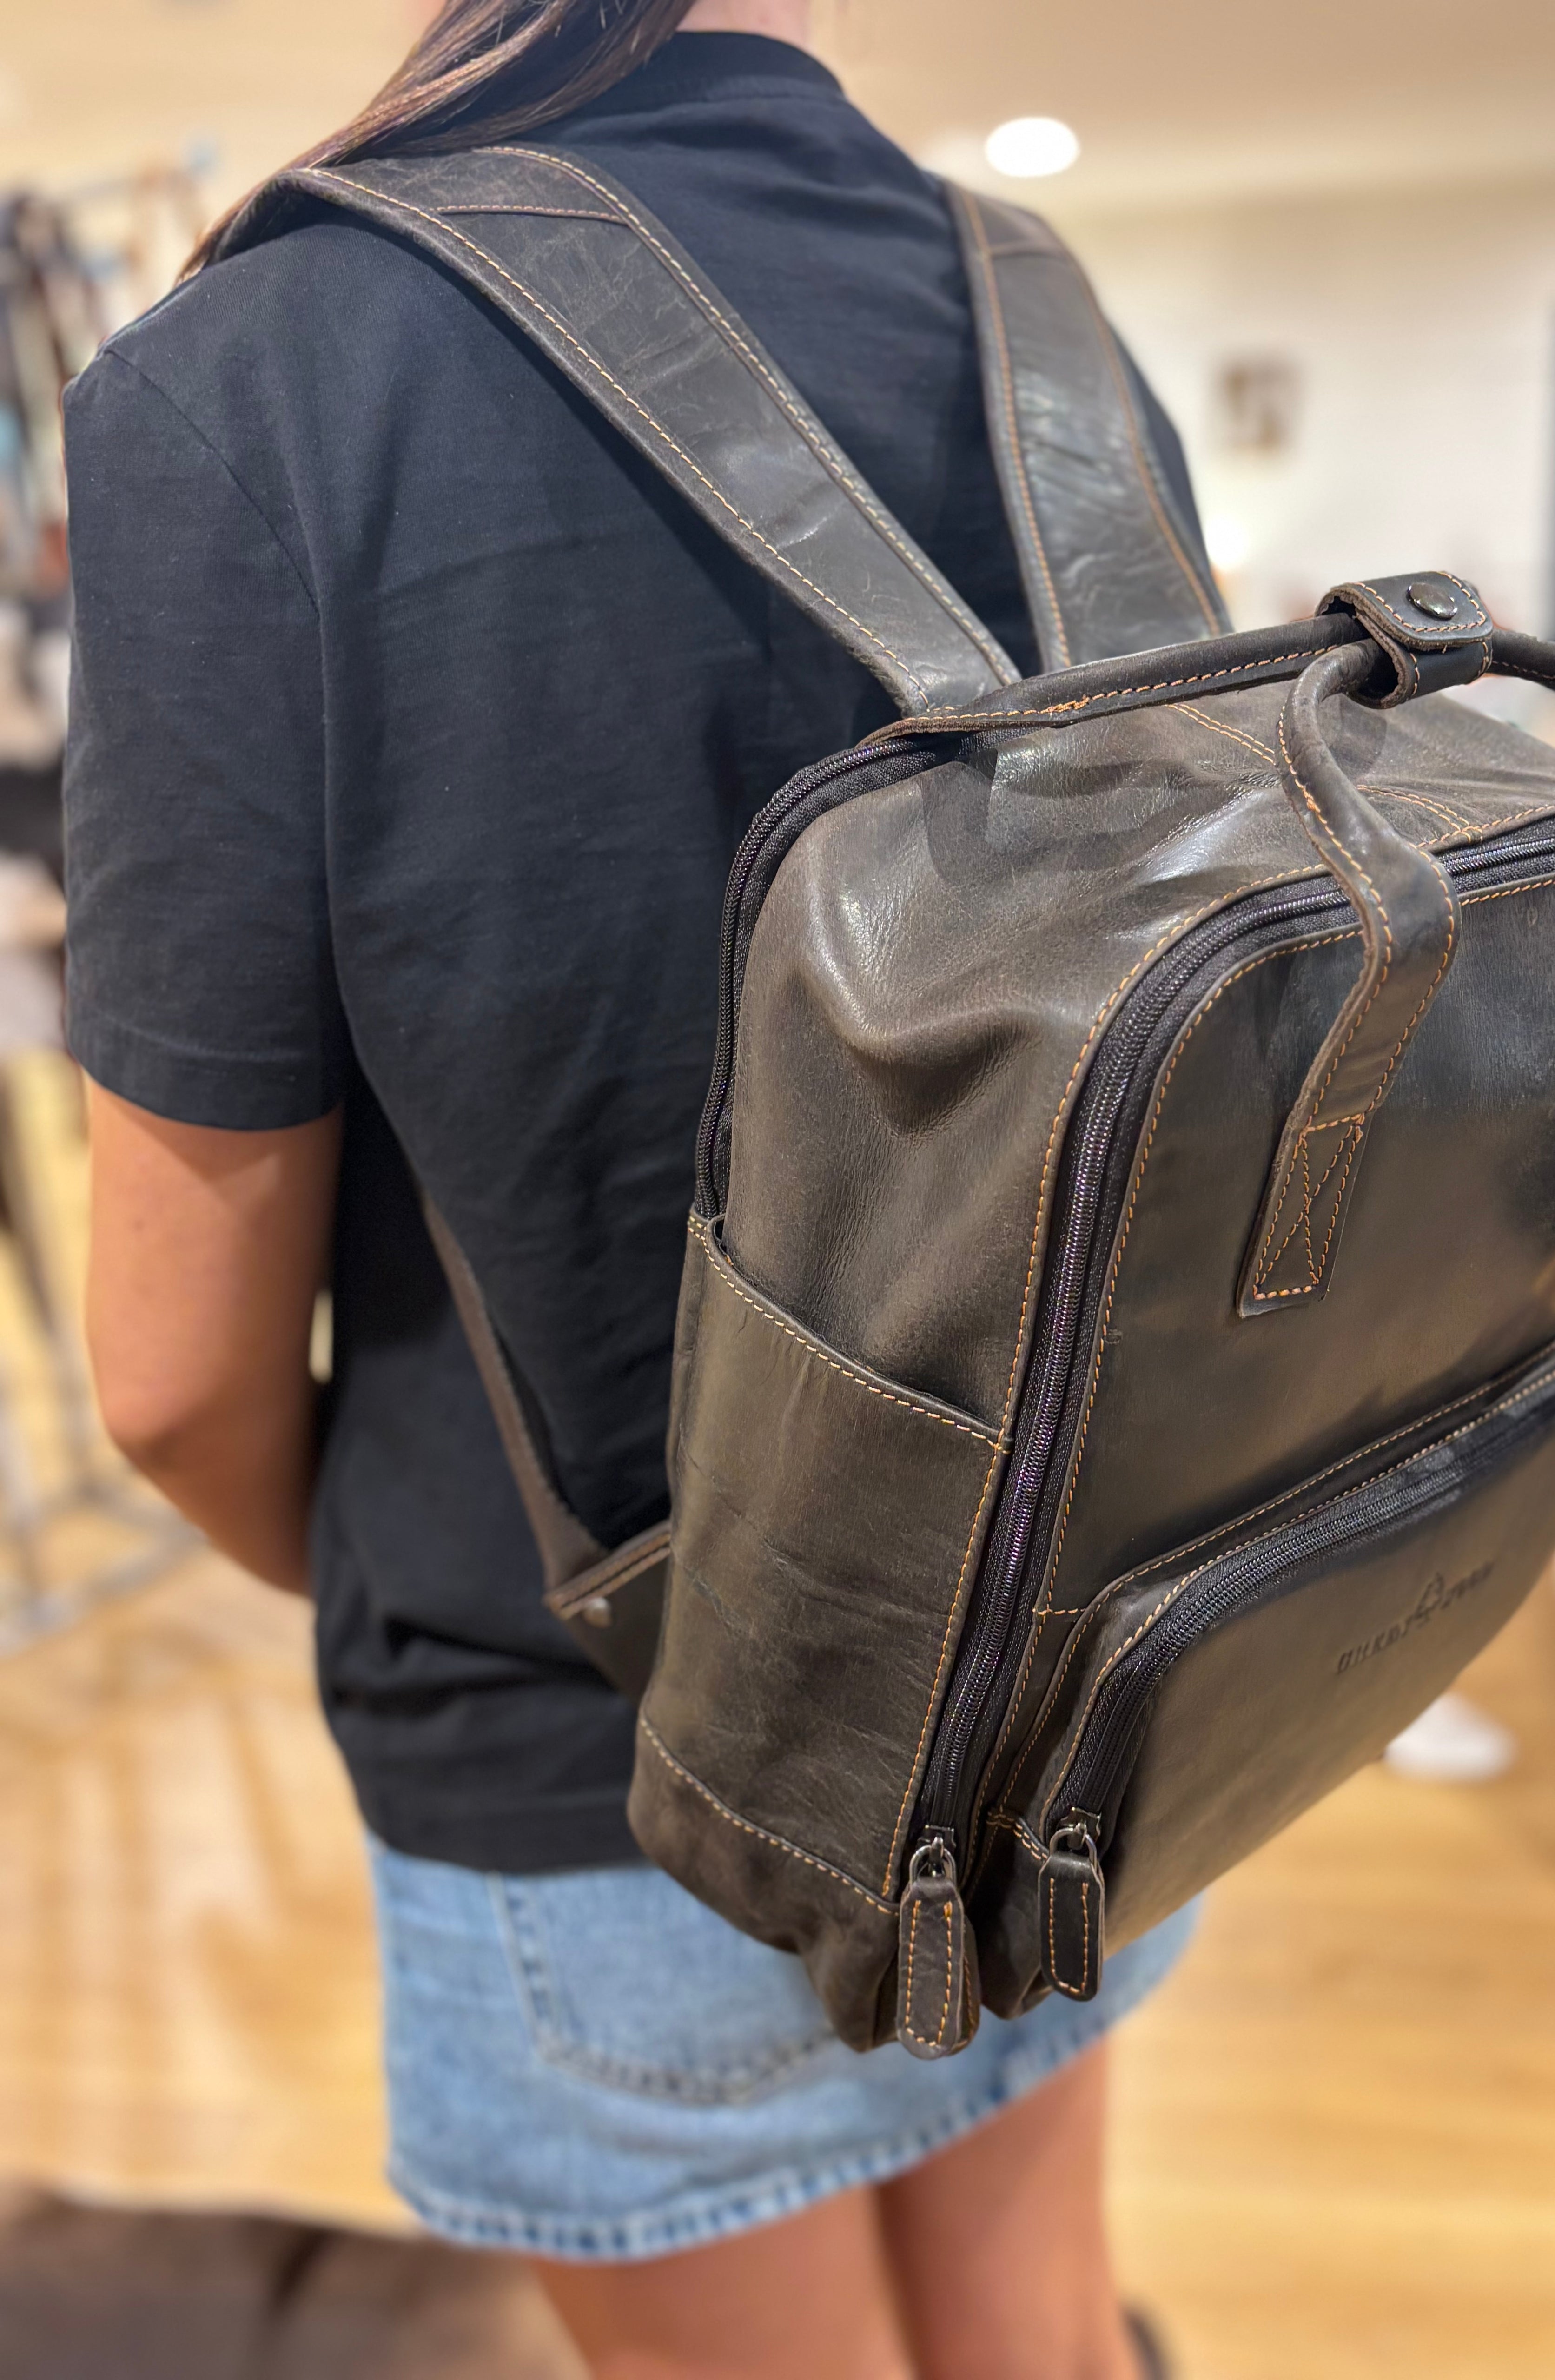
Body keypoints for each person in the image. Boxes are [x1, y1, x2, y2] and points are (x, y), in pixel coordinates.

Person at [61, 2, 1210, 2371]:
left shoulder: (254, 373)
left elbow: (171, 1373)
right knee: (1037, 2323)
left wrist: (376, 1577)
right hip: (1081, 1668)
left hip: (602, 1737)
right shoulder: (1048, 324)